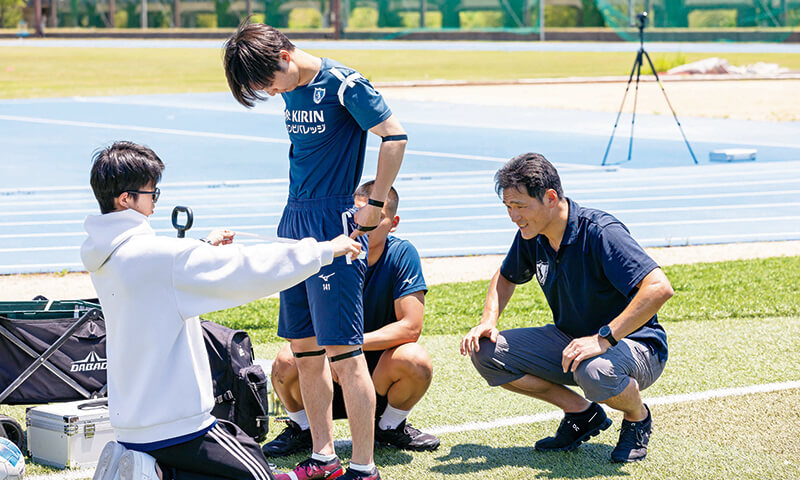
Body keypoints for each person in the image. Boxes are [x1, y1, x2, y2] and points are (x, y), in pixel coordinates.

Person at [82, 141, 361, 480]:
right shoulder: (163, 257)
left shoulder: (105, 257)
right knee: (259, 475)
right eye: (152, 193)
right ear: (126, 199)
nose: (155, 202)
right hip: (177, 424)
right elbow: (247, 268)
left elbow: (160, 272)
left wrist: (200, 249)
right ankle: (158, 475)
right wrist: (324, 250)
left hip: (130, 423)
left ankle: (154, 469)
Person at [223, 22, 407, 480]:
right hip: (293, 222)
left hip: (333, 221)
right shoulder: (290, 89)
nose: (268, 92)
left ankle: (363, 468)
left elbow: (395, 136)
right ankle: (323, 458)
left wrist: (375, 203)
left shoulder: (344, 84)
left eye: (267, 83)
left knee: (344, 353)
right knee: (304, 350)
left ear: (284, 56)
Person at [460, 153, 674, 463]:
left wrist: (602, 339)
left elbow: (659, 288)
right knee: (485, 351)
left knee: (595, 371)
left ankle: (637, 417)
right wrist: (488, 320)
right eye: (508, 207)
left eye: (520, 206)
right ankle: (581, 413)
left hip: (637, 346)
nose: (513, 216)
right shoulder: (531, 235)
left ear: (550, 198)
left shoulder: (600, 231)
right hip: (571, 341)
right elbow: (505, 276)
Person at [264, 182, 439, 458]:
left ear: (393, 223)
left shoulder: (403, 254)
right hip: (323, 375)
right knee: (285, 360)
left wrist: (345, 349)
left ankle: (389, 425)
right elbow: (298, 330)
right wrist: (333, 353)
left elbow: (411, 326)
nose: (363, 223)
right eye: (356, 215)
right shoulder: (325, 252)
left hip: (378, 374)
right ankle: (302, 427)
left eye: (374, 217)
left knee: (416, 359)